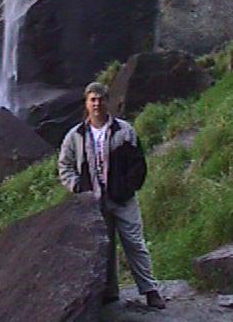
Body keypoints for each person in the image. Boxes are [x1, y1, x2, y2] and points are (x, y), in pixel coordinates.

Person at [58, 81, 165, 309]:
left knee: (134, 243)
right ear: (86, 104)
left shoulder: (124, 130)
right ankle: (108, 292)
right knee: (103, 248)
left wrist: (128, 187)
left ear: (108, 102)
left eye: (100, 99)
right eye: (92, 100)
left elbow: (138, 164)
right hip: (93, 201)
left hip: (124, 199)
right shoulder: (75, 135)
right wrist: (79, 188)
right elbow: (64, 166)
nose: (97, 104)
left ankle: (150, 290)